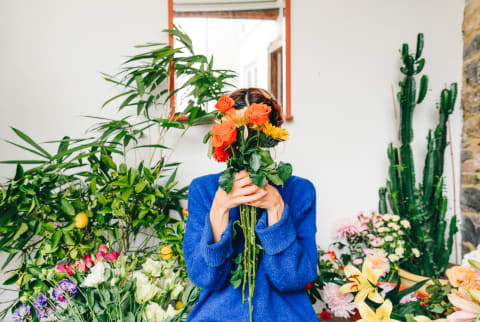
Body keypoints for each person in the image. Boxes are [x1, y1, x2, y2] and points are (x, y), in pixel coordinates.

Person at [183, 88, 318, 321]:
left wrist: (277, 208)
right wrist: (219, 209)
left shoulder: (300, 191)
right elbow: (203, 276)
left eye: (254, 131)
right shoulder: (203, 190)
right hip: (218, 314)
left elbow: (293, 279)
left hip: (285, 314)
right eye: (237, 130)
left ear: (270, 135)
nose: (245, 140)